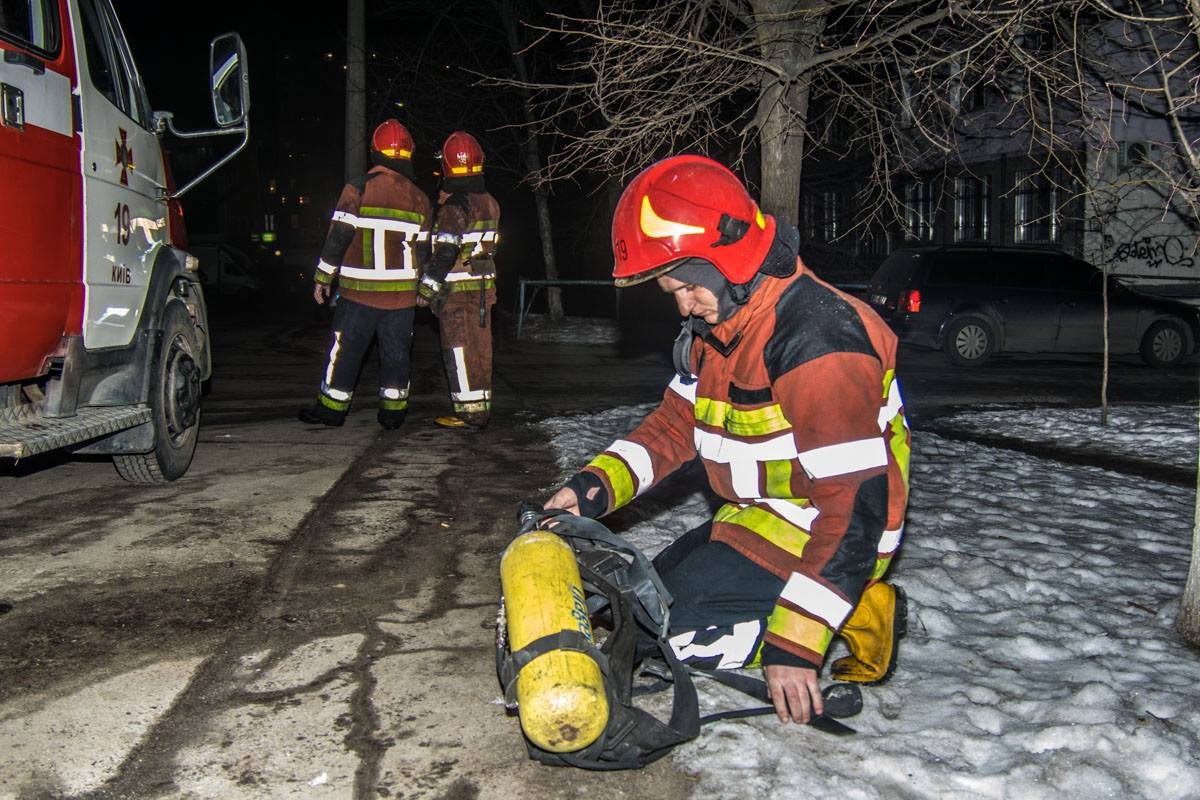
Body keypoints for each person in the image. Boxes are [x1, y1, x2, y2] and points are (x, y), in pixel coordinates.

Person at [543, 155, 911, 725]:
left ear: (729, 260)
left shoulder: (818, 340)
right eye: (672, 291)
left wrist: (796, 643)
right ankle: (840, 605)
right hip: (762, 517)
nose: (682, 305)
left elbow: (854, 506)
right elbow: (674, 427)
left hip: (830, 532)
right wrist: (592, 489)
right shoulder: (720, 326)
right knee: (635, 616)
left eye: (689, 287)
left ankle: (853, 607)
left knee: (662, 645)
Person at [298, 119, 431, 429]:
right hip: (401, 298)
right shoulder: (420, 199)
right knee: (397, 356)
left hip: (359, 293)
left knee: (345, 353)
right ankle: (393, 415)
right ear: (408, 155)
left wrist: (323, 277)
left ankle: (331, 411)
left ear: (375, 152)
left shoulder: (358, 188)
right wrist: (423, 290)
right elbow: (423, 252)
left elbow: (338, 236)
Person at [416, 131, 501, 429]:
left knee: (459, 351)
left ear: (447, 166)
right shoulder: (489, 202)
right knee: (481, 351)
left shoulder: (455, 207)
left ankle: (469, 414)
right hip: (483, 291)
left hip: (457, 295)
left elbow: (446, 251)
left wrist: (426, 289)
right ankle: (481, 410)